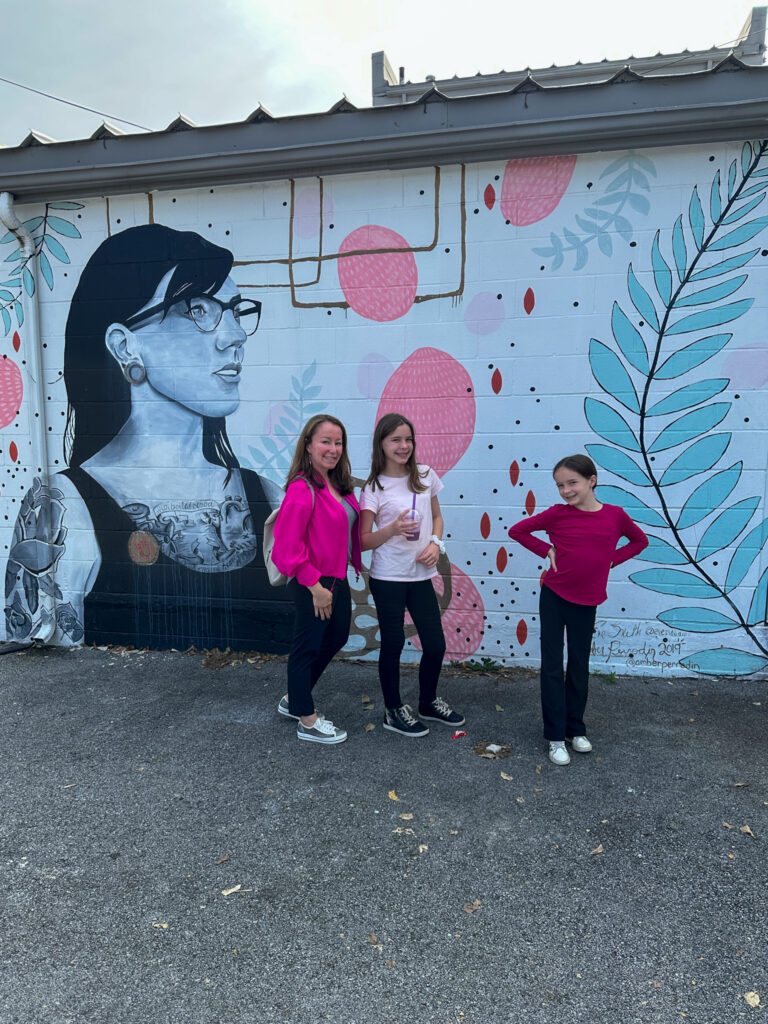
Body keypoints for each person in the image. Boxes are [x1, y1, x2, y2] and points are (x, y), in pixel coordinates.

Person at [4, 224, 293, 652]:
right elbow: (42, 674)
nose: (233, 336)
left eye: (235, 310)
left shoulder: (267, 497)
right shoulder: (62, 507)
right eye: (198, 309)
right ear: (125, 346)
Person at [508, 454, 648, 765]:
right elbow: (517, 531)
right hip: (555, 597)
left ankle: (575, 729)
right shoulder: (557, 515)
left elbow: (640, 541)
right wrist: (546, 549)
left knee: (579, 667)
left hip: (588, 601)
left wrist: (612, 559)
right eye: (560, 485)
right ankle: (555, 737)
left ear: (591, 481)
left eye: (572, 482)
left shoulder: (615, 516)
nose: (566, 490)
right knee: (553, 667)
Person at [359, 412, 464, 737]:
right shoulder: (374, 487)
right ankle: (393, 710)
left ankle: (427, 702)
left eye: (408, 439)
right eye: (396, 440)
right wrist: (391, 529)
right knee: (392, 644)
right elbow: (363, 541)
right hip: (387, 578)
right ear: (382, 444)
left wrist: (435, 543)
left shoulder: (425, 475)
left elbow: (437, 517)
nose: (404, 446)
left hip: (420, 575)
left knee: (435, 645)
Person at [271, 415, 362, 745]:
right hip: (314, 580)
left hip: (336, 578)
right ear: (308, 445)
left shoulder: (336, 485)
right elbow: (285, 549)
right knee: (307, 646)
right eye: (326, 441)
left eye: (339, 443)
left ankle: (295, 698)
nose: (333, 449)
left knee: (336, 637)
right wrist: (315, 587)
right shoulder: (301, 488)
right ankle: (306, 720)